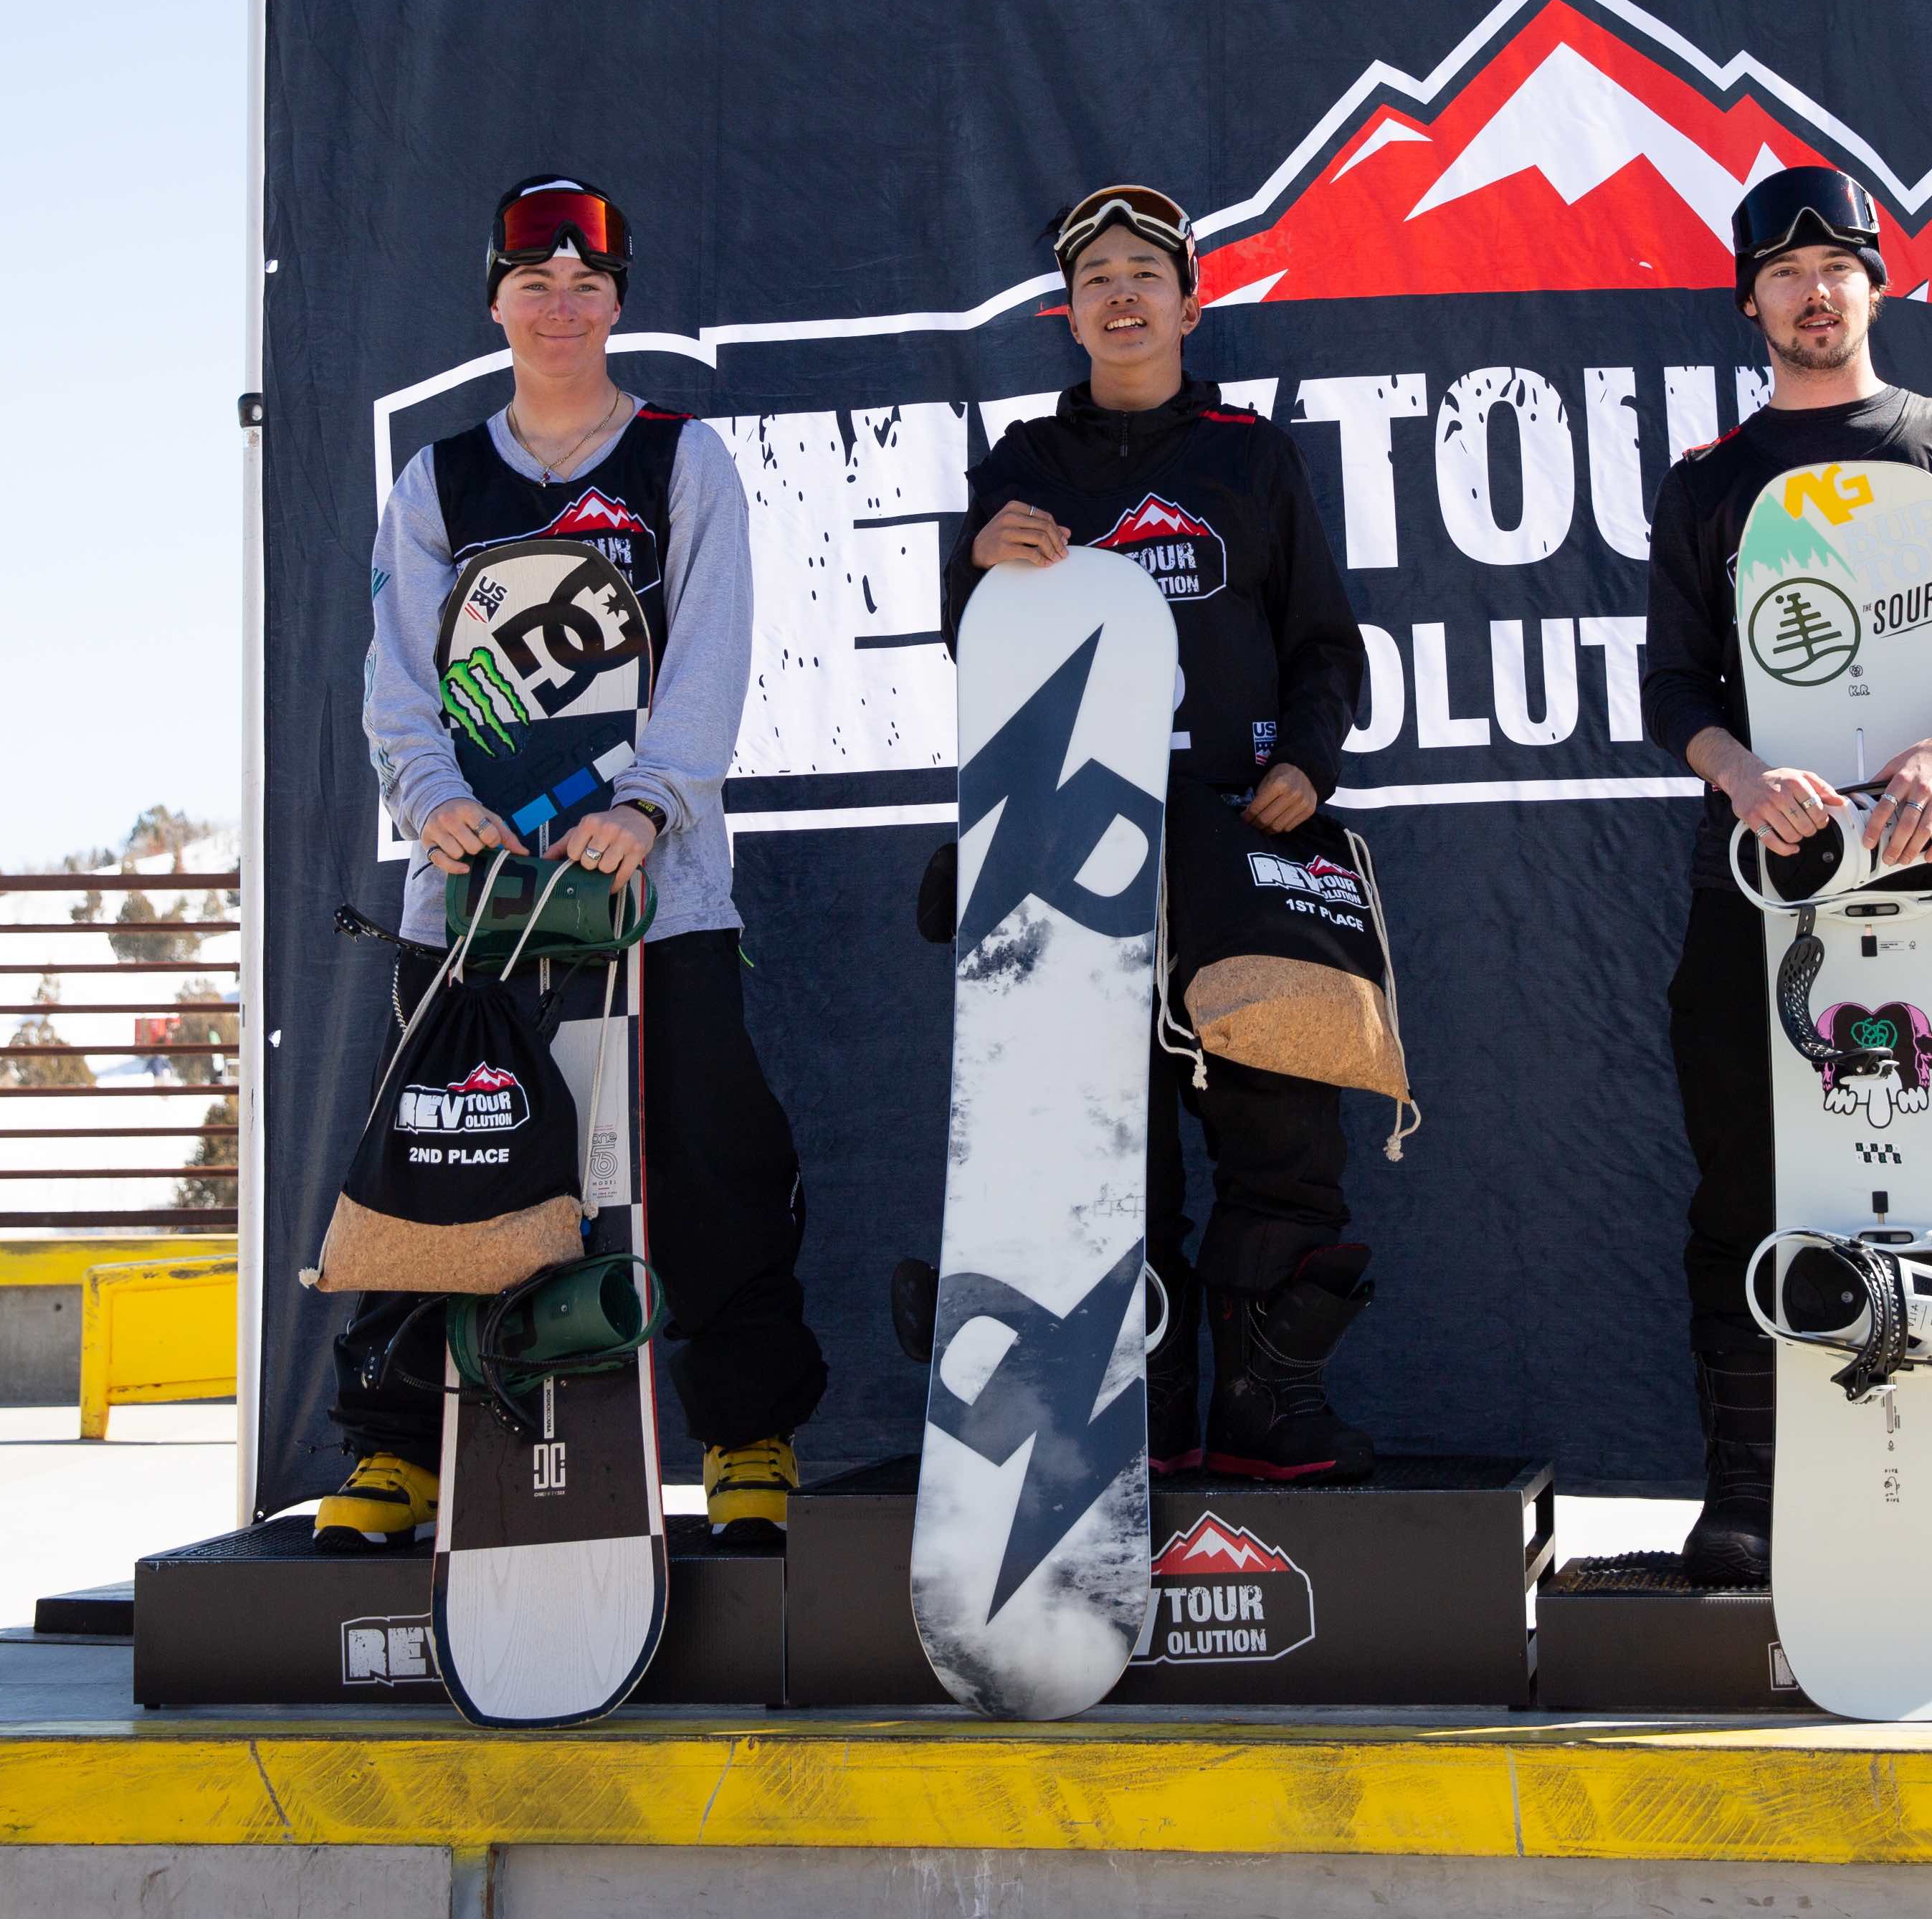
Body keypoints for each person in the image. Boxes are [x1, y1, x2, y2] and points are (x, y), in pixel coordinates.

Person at [318, 176, 827, 1553]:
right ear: (495, 303)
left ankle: (747, 1435)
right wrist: (434, 802)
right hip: (474, 894)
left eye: (585, 285)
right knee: (441, 1151)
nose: (560, 306)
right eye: (533, 284)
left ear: (616, 303)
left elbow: (711, 657)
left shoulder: (681, 461)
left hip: (654, 884)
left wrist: (650, 807)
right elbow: (396, 677)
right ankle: (398, 1446)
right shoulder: (440, 480)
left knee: (711, 1157)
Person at [1637, 164, 1932, 1588]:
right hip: (1763, 888)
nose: (1813, 292)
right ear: (1749, 299)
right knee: (1746, 1185)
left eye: (1837, 267)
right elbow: (1670, 689)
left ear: (1879, 285)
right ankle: (1751, 1484)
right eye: (1785, 272)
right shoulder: (1712, 482)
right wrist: (1742, 774)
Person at [946, 184, 1380, 1481]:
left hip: (1240, 828)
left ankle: (1265, 1403)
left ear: (1192, 306)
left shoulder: (1251, 455)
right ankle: (1125, 1407)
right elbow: (970, 648)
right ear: (1069, 316)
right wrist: (975, 564)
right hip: (1073, 845)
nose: (1122, 295)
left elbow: (1325, 644)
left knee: (1279, 1123)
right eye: (1097, 280)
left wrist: (1307, 760)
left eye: (1146, 273)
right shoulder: (1022, 461)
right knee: (1099, 1134)